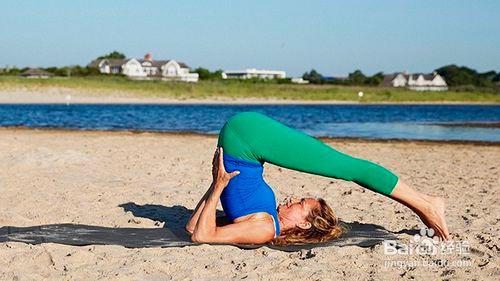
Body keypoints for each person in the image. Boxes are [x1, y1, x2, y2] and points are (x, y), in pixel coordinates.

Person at [186, 112, 450, 245]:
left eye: (300, 203)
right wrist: (217, 185)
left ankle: (427, 203)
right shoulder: (267, 225)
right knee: (346, 166)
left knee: (349, 168)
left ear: (302, 224)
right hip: (245, 139)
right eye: (301, 200)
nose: (292, 198)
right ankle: (425, 203)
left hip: (246, 138)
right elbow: (197, 231)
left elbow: (198, 233)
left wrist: (217, 185)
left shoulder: (264, 228)